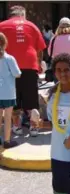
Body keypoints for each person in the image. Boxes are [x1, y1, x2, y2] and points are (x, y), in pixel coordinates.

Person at [0, 5, 46, 137]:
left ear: (11, 15)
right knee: (31, 98)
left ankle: (17, 126)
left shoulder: (2, 25)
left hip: (8, 67)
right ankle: (33, 127)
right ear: (23, 15)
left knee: (13, 98)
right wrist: (38, 64)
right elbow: (40, 49)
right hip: (30, 65)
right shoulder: (32, 26)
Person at [44, 53, 70, 194]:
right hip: (58, 151)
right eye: (58, 70)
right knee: (63, 187)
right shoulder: (51, 95)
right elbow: (50, 120)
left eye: (67, 70)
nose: (63, 74)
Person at [0, 32, 21, 148]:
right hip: (8, 92)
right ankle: (7, 141)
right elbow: (17, 74)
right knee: (8, 117)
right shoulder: (9, 58)